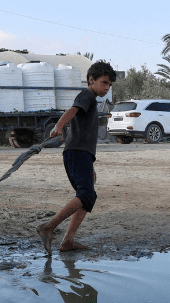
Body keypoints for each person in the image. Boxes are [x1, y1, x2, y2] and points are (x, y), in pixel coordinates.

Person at [36, 61, 116, 254]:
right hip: (77, 153)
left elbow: (85, 133)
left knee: (88, 197)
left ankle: (68, 241)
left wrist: (91, 165)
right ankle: (48, 227)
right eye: (104, 82)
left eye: (109, 85)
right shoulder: (86, 96)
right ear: (91, 80)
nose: (106, 88)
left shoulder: (91, 100)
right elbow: (71, 111)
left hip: (82, 155)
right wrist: (59, 126)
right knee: (86, 195)